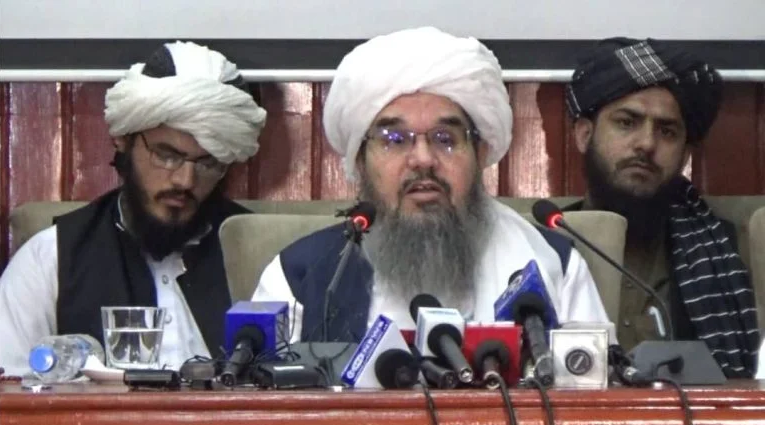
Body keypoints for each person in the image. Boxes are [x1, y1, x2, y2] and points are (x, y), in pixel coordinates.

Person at [253, 27, 611, 344]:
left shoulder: (553, 265)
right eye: (394, 139)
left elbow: (598, 390)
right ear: (360, 160)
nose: (423, 159)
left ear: (480, 153)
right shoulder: (300, 276)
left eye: (445, 138)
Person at [0, 41, 267, 375]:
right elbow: (8, 389)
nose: (185, 180)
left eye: (208, 163)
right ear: (124, 140)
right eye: (166, 155)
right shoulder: (50, 258)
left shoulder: (262, 256)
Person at [564, 37, 759, 377]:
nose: (646, 144)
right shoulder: (545, 244)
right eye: (627, 122)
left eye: (666, 131)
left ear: (684, 155)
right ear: (584, 135)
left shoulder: (725, 255)